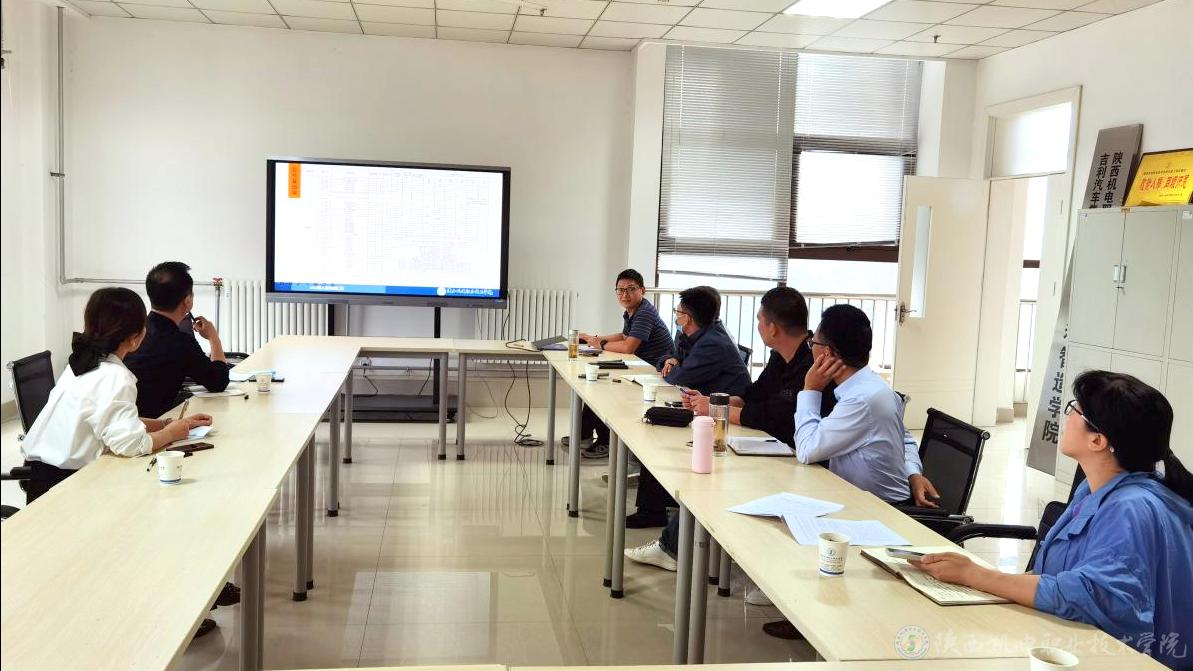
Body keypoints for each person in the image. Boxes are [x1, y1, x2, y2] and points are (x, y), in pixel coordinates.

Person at [912, 371, 1193, 670]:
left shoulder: (1130, 508)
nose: (1066, 415)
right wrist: (977, 582)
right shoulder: (1095, 489)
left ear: (1097, 440)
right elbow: (1056, 575)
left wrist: (977, 576)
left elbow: (1095, 597)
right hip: (1070, 642)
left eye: (1075, 409)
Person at [625, 287, 843, 566]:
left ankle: (673, 550)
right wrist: (715, 402)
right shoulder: (781, 355)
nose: (758, 325)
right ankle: (676, 542)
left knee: (712, 474)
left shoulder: (811, 364)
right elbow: (755, 395)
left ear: (773, 328)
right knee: (707, 459)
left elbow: (776, 416)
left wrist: (719, 410)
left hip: (799, 457)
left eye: (759, 320)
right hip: (774, 443)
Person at [20, 287, 213, 502]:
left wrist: (165, 424)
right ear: (135, 338)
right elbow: (131, 445)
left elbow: (108, 420)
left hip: (40, 477)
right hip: (65, 488)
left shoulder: (81, 364)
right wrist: (171, 434)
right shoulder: (115, 377)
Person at [628, 286, 752, 528]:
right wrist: (670, 360)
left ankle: (652, 510)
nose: (676, 316)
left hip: (728, 414)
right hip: (704, 403)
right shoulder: (691, 334)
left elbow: (679, 376)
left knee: (656, 435)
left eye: (679, 312)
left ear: (689, 317)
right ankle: (657, 502)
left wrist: (672, 365)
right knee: (655, 429)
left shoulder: (713, 343)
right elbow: (668, 356)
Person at [794, 304, 933, 506]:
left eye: (812, 343)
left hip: (878, 509)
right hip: (863, 500)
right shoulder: (874, 387)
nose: (810, 348)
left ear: (827, 353)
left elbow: (806, 450)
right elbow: (905, 439)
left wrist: (811, 389)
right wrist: (912, 472)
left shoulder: (861, 400)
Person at [570, 269, 673, 459]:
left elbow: (628, 347)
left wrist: (600, 343)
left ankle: (606, 442)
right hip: (641, 367)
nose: (625, 294)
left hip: (655, 373)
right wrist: (593, 339)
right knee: (596, 384)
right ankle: (584, 435)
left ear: (642, 290)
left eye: (631, 289)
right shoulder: (633, 311)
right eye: (620, 290)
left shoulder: (644, 313)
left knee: (602, 389)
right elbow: (625, 336)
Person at [124, 261, 230, 419]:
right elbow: (218, 381)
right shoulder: (181, 342)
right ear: (187, 301)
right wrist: (213, 337)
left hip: (128, 417)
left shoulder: (132, 330)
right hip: (155, 423)